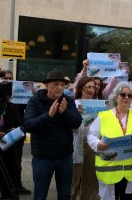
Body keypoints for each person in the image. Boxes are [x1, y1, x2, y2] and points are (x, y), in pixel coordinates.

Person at [24, 70, 82, 200]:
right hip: (42, 157)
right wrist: (48, 115)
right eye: (56, 84)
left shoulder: (68, 101)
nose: (60, 87)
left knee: (64, 194)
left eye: (63, 84)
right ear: (47, 85)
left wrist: (65, 112)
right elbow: (28, 125)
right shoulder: (35, 101)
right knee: (40, 195)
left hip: (65, 157)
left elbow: (77, 123)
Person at [87, 81, 132, 199]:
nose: (126, 98)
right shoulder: (104, 116)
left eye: (129, 95)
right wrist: (97, 143)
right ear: (116, 97)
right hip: (109, 170)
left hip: (130, 171)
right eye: (123, 95)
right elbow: (91, 135)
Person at [71, 77, 99, 200]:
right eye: (89, 87)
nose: (92, 89)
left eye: (94, 87)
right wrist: (76, 115)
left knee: (90, 181)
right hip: (78, 143)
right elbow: (70, 128)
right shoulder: (73, 104)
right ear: (82, 87)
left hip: (92, 144)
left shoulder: (99, 105)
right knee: (74, 181)